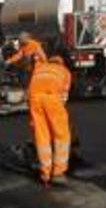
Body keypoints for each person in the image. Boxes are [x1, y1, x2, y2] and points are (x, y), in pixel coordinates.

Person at [27, 50, 73, 187]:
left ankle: (45, 173)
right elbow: (64, 98)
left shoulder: (40, 68)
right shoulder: (64, 72)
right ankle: (58, 172)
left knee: (42, 136)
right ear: (62, 62)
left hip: (34, 100)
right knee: (61, 136)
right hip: (52, 99)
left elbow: (29, 90)